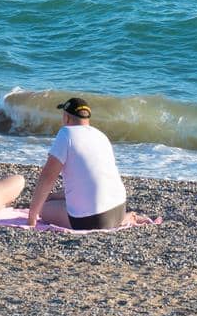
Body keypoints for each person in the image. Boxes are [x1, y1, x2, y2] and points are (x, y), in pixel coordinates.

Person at [25, 97, 144, 231]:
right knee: (60, 197)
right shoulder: (101, 136)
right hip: (119, 211)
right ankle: (124, 218)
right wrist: (52, 196)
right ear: (87, 118)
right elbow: (90, 180)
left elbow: (48, 177)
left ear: (67, 118)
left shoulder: (66, 133)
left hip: (90, 221)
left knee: (44, 208)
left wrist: (32, 215)